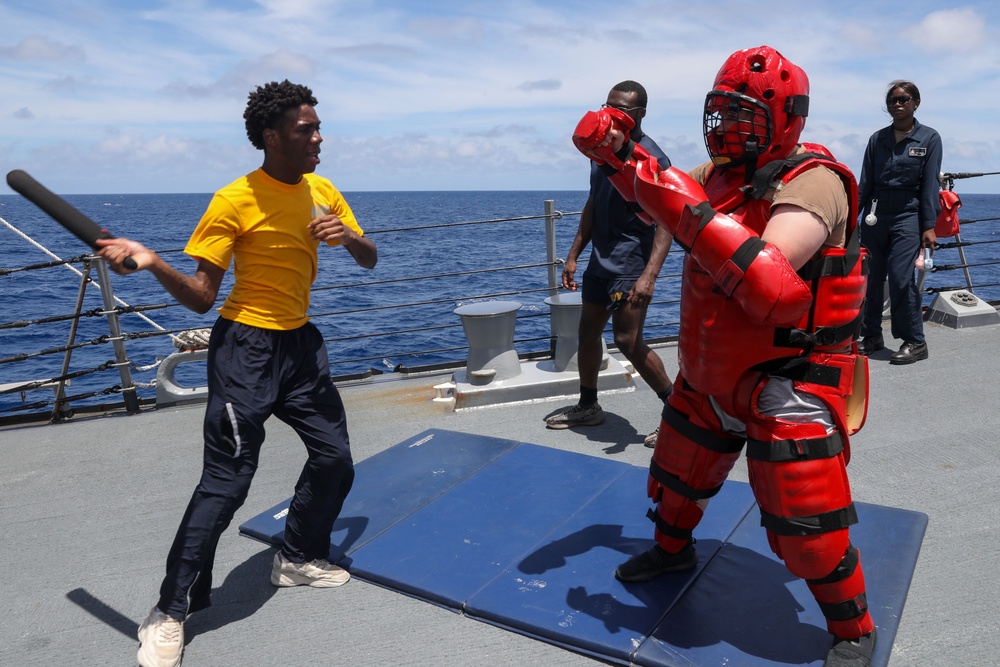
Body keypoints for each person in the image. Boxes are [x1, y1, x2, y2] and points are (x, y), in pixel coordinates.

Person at [572, 47, 876, 666]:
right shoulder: (719, 179)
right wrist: (621, 157)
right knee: (675, 483)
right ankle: (673, 549)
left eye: (743, 113)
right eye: (721, 112)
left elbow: (769, 277)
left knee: (808, 530)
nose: (725, 127)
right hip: (710, 373)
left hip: (787, 380)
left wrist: (673, 196)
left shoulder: (814, 181)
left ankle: (854, 630)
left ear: (782, 116)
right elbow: (658, 200)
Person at [97, 80, 378, 667]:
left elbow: (369, 254)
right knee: (227, 482)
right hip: (245, 350)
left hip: (302, 346)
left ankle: (297, 556)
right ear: (272, 138)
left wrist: (348, 235)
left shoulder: (322, 189)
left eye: (318, 126)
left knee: (335, 460)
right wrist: (151, 262)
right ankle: (170, 611)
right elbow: (202, 297)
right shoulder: (234, 200)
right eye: (306, 129)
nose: (318, 137)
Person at [545, 80, 674, 447]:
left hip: (632, 262)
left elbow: (667, 218)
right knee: (587, 330)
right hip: (601, 261)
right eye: (608, 105)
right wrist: (573, 254)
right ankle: (589, 406)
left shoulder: (651, 157)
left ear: (640, 115)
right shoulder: (602, 148)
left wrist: (649, 276)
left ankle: (680, 414)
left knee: (628, 341)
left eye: (623, 109)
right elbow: (594, 200)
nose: (613, 114)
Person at [857, 80, 942, 364]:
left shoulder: (929, 138)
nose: (897, 104)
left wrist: (928, 225)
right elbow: (865, 183)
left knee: (900, 277)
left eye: (904, 99)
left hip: (908, 215)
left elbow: (930, 185)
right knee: (871, 277)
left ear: (915, 103)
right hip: (876, 215)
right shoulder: (877, 139)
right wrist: (847, 221)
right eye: (893, 100)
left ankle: (915, 341)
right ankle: (871, 335)